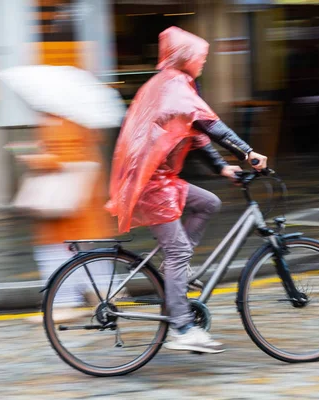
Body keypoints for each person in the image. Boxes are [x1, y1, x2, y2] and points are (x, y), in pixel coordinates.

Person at [106, 26, 267, 354]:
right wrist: (247, 151)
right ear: (185, 57)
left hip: (161, 180)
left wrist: (222, 168)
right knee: (178, 250)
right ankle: (182, 327)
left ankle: (172, 269)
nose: (203, 62)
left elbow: (197, 133)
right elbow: (210, 124)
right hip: (151, 183)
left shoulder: (173, 85)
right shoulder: (173, 86)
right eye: (200, 56)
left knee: (208, 202)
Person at [19, 114, 115, 323]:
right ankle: (101, 297)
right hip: (78, 203)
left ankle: (64, 303)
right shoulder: (68, 118)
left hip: (68, 201)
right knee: (88, 250)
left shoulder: (64, 119)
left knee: (57, 252)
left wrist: (40, 159)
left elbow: (70, 155)